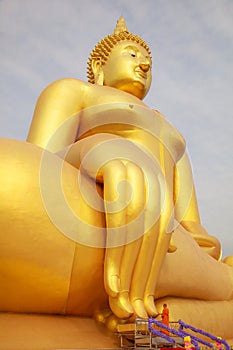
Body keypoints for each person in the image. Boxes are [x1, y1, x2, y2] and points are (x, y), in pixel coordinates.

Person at [0, 17, 233, 337]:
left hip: (166, 241)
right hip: (91, 207)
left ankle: (188, 304)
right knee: (7, 174)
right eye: (131, 54)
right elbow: (40, 164)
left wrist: (198, 248)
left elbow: (191, 224)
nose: (145, 63)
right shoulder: (73, 91)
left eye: (147, 58)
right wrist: (93, 149)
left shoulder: (172, 134)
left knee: (192, 261)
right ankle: (189, 306)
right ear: (99, 65)